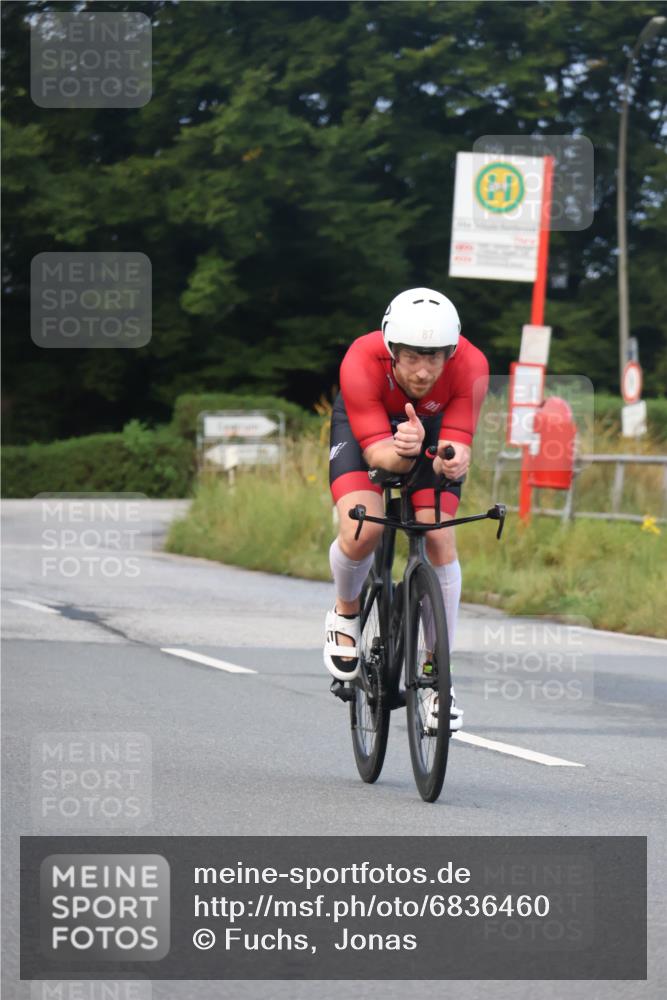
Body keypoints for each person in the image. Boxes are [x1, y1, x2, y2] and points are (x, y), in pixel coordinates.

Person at [324, 287, 489, 731]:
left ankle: (440, 677)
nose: (423, 370)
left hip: (431, 431)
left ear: (451, 352)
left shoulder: (471, 366)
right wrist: (406, 452)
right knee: (364, 529)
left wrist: (449, 460)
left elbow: (457, 448)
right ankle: (345, 611)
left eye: (435, 357)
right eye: (412, 357)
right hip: (371, 433)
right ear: (391, 349)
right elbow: (379, 458)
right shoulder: (361, 360)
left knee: (438, 534)